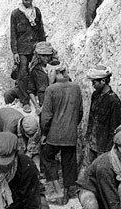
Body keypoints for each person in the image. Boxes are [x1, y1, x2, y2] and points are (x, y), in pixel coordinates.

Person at [76, 130, 121, 209]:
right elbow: (111, 200)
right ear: (116, 149)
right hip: (93, 189)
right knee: (91, 205)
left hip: (115, 189)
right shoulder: (104, 166)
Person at [40, 70, 83, 203]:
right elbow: (80, 112)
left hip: (54, 134)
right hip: (70, 134)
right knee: (69, 162)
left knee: (47, 156)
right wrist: (72, 126)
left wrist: (44, 133)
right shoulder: (76, 88)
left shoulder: (50, 89)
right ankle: (66, 193)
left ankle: (55, 187)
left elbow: (46, 116)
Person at [0, 132, 48, 209]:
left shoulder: (26, 167)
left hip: (24, 201)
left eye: (6, 163)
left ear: (15, 155)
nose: (1, 166)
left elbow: (31, 200)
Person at [9, 0, 46, 113]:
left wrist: (43, 47)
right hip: (22, 49)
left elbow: (40, 30)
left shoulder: (37, 12)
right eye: (26, 0)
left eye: (30, 0)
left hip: (35, 48)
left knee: (38, 71)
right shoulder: (16, 14)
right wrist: (15, 52)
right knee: (23, 73)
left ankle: (39, 97)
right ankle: (25, 101)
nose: (29, 2)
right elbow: (13, 34)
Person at [84, 65, 121, 167]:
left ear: (103, 81)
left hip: (104, 147)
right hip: (91, 142)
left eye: (94, 82)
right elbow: (91, 119)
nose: (93, 85)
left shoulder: (114, 101)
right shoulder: (95, 95)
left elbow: (115, 127)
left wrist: (110, 149)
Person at [5, 41, 53, 114]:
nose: (46, 58)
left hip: (37, 91)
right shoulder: (25, 61)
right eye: (43, 55)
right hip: (23, 87)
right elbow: (14, 76)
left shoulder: (49, 68)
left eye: (48, 55)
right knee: (8, 94)